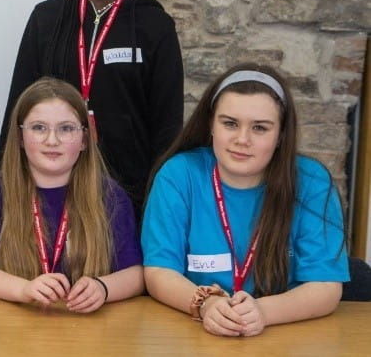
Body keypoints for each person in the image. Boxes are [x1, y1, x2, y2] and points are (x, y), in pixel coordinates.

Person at [0, 0, 182, 220]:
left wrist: (160, 203)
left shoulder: (155, 26)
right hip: (46, 190)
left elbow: (167, 127)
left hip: (128, 197)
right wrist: (5, 188)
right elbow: (18, 109)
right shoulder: (47, 19)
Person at [143, 64, 348, 337]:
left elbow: (326, 287)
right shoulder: (178, 175)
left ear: (280, 136)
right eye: (230, 123)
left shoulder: (313, 183)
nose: (242, 139)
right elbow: (158, 271)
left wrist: (263, 312)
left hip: (284, 337)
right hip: (194, 333)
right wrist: (206, 303)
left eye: (260, 128)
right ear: (211, 125)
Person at [0, 78, 142, 312]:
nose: (52, 140)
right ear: (20, 137)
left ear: (84, 139)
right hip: (12, 328)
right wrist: (24, 289)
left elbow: (135, 274)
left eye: (66, 128)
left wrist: (104, 288)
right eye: (39, 128)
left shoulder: (110, 196)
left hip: (86, 331)